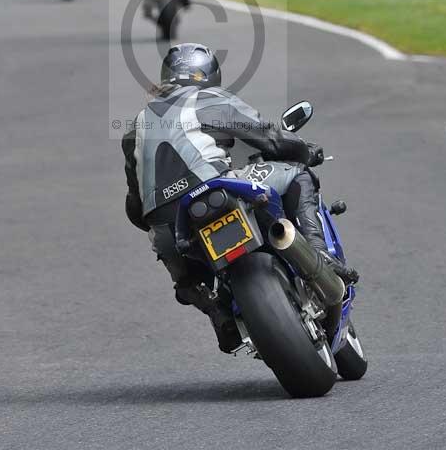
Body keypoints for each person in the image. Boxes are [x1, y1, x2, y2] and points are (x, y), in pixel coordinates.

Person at [122, 43, 358, 354]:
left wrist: (160, 218)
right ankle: (318, 252)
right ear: (210, 74)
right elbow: (268, 138)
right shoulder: (208, 97)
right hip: (217, 189)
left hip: (167, 223)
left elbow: (135, 206)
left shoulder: (136, 125)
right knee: (298, 173)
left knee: (184, 274)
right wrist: (305, 149)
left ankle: (218, 314)